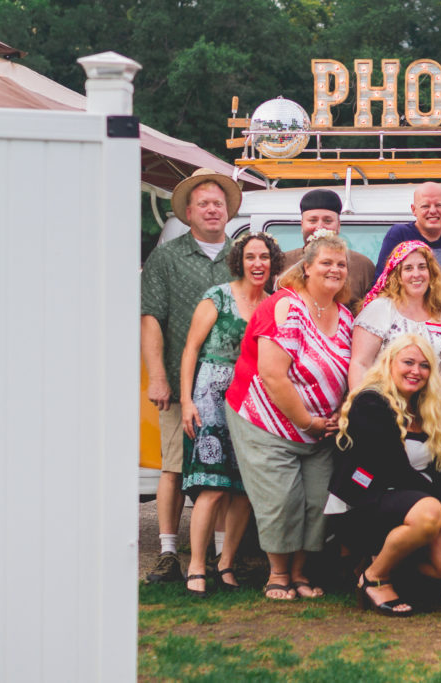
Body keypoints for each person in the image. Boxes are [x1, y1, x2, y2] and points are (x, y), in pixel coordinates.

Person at [223, 230, 353, 601]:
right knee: (281, 500)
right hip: (266, 420)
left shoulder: (344, 315)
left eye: (340, 264)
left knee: (315, 503)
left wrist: (333, 417)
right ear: (307, 268)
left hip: (320, 432)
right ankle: (277, 574)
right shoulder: (285, 306)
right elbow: (272, 375)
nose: (334, 269)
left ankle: (300, 573)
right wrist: (308, 420)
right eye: (326, 262)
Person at [141, 167, 242, 584]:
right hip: (181, 384)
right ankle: (168, 554)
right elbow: (151, 320)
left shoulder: (241, 254)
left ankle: (222, 559)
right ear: (187, 211)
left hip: (232, 386)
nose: (212, 209)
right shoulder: (166, 257)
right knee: (174, 466)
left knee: (225, 472)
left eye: (218, 203)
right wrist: (157, 377)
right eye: (203, 203)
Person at [327, 335, 441, 615]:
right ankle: (375, 577)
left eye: (424, 365)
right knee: (430, 509)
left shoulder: (428, 409)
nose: (415, 371)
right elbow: (393, 469)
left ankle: (390, 566)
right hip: (364, 503)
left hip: (418, 505)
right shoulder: (370, 401)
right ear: (389, 363)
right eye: (408, 362)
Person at [179, 233, 283, 595]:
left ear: (273, 263)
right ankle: (195, 566)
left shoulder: (273, 304)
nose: (258, 264)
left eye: (265, 257)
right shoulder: (217, 297)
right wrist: (187, 401)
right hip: (209, 395)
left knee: (242, 489)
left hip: (250, 399)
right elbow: (191, 349)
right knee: (212, 486)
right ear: (240, 260)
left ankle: (226, 565)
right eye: (251, 257)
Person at [349, 241, 441, 393]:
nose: (416, 274)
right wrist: (361, 406)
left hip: (431, 411)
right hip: (384, 405)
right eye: (408, 268)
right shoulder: (380, 309)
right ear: (398, 276)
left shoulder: (439, 317)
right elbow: (360, 363)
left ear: (431, 273)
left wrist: (427, 401)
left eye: (422, 267)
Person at [281, 189, 375, 307]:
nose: (320, 227)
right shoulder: (283, 262)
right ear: (302, 225)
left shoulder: (363, 266)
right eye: (312, 220)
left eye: (327, 221)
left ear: (338, 226)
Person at [375, 182, 441, 278]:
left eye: (438, 205)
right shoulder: (399, 236)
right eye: (425, 206)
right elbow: (381, 282)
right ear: (414, 210)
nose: (432, 211)